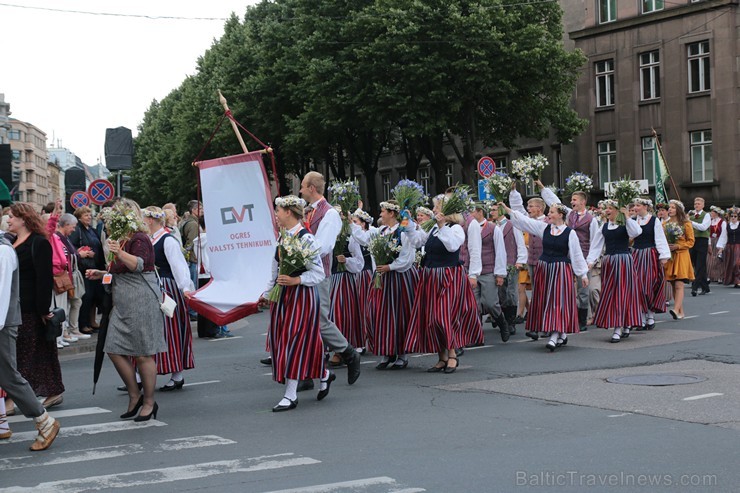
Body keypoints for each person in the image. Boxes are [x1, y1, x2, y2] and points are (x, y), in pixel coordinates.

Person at [85, 199, 165, 422]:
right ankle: (134, 394)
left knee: (142, 354)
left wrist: (118, 253)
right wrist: (101, 274)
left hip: (141, 300)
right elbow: (118, 270)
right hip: (122, 303)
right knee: (112, 347)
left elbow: (138, 264)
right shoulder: (120, 239)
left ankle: (149, 402)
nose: (109, 223)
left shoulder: (139, 238)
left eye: (114, 217)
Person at [258, 196, 332, 411]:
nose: (276, 215)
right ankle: (324, 373)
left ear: (288, 212)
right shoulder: (282, 238)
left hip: (302, 296)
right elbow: (276, 268)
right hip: (284, 296)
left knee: (294, 341)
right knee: (286, 341)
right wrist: (268, 292)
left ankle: (290, 395)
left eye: (278, 211)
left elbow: (319, 272)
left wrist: (296, 280)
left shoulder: (306, 238)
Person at [405, 190, 483, 371]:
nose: (433, 210)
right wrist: (408, 222)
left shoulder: (455, 228)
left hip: (448, 277)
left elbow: (452, 246)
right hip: (431, 276)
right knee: (432, 318)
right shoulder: (433, 228)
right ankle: (442, 357)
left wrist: (441, 226)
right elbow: (417, 241)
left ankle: (453, 354)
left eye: (436, 207)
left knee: (444, 316)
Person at [0, 229, 61, 450]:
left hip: (3, 324)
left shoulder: (3, 251)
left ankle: (44, 421)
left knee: (9, 376)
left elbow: (2, 294)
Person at [500, 201, 588, 351]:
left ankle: (554, 335)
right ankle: (561, 334)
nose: (549, 214)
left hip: (561, 270)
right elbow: (525, 222)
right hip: (545, 269)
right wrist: (509, 210)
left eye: (552, 212)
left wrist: (583, 274)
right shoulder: (544, 228)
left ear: (560, 215)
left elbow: (576, 254)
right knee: (546, 300)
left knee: (557, 302)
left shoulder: (569, 233)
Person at [300, 171, 361, 385]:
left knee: (320, 321)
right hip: (303, 274)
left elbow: (324, 246)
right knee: (305, 323)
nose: (300, 190)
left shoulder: (329, 214)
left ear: (311, 188)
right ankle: (308, 372)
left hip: (318, 274)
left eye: (302, 186)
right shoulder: (308, 211)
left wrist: (300, 251)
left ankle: (348, 353)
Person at [4, 203, 65, 413]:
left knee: (23, 354)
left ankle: (13, 399)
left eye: (11, 216)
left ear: (23, 219)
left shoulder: (39, 243)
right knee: (39, 351)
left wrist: (42, 310)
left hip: (29, 306)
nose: (8, 220)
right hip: (14, 305)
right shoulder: (11, 241)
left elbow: (44, 279)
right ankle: (54, 391)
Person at [352, 200, 418, 369]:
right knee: (380, 314)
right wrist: (349, 222)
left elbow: (407, 258)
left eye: (382, 211)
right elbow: (363, 238)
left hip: (398, 278)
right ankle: (387, 352)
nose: (380, 214)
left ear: (391, 213)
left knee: (398, 315)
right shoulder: (381, 231)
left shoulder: (402, 232)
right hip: (381, 277)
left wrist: (390, 266)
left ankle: (401, 354)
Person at [143, 206, 195, 391]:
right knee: (151, 331)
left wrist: (185, 288)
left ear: (150, 220)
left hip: (167, 287)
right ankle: (141, 374)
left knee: (170, 331)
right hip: (152, 286)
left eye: (144, 218)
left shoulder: (168, 241)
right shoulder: (150, 239)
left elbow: (179, 266)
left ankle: (177, 374)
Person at [537, 179, 599, 332]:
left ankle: (582, 319)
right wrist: (543, 188)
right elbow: (555, 202)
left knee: (583, 290)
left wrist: (590, 260)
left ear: (583, 202)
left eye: (575, 200)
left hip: (583, 257)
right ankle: (566, 317)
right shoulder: (569, 214)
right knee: (565, 288)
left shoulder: (592, 220)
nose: (572, 202)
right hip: (565, 257)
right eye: (571, 199)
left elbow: (595, 240)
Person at [587, 201, 643, 342]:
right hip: (609, 263)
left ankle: (620, 326)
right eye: (606, 208)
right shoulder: (604, 227)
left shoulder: (626, 225)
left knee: (622, 293)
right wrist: (589, 262)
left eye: (610, 208)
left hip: (623, 261)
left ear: (617, 211)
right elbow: (596, 246)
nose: (607, 211)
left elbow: (637, 232)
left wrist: (627, 216)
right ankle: (621, 324)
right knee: (611, 294)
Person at [509, 186, 548, 340]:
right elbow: (517, 211)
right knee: (537, 293)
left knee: (543, 293)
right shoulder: (529, 221)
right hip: (531, 261)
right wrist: (513, 193)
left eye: (531, 206)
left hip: (544, 262)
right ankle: (537, 325)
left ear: (539, 208)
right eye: (528, 206)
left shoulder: (546, 221)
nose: (528, 208)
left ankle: (546, 325)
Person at [468, 202, 509, 341]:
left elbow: (500, 251)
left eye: (472, 212)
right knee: (474, 305)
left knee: (491, 302)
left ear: (480, 212)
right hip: (472, 272)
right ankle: (477, 336)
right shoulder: (468, 227)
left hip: (488, 270)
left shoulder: (493, 228)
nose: (469, 215)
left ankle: (502, 321)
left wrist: (500, 273)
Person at [631, 198, 670, 331]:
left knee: (649, 284)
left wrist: (663, 255)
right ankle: (641, 318)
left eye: (638, 205)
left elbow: (659, 238)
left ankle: (650, 315)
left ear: (646, 207)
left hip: (649, 255)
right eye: (634, 205)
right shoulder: (632, 221)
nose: (635, 208)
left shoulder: (654, 221)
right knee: (637, 286)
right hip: (635, 254)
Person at [489, 204, 527, 334]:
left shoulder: (512, 225)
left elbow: (520, 242)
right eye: (491, 210)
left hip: (511, 262)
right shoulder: (492, 226)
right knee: (500, 292)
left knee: (511, 292)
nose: (491, 212)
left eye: (494, 209)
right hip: (496, 264)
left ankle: (511, 322)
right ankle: (502, 319)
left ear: (501, 210)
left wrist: (520, 260)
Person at [55, 212, 90, 341]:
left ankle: (70, 330)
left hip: (70, 274)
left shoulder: (64, 237)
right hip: (65, 275)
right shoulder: (58, 237)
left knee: (74, 302)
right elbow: (64, 257)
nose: (74, 229)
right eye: (73, 226)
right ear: (67, 224)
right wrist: (79, 255)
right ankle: (66, 332)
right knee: (68, 304)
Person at [69, 206, 104, 334]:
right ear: (79, 217)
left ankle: (91, 321)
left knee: (94, 296)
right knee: (86, 295)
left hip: (95, 266)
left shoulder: (92, 230)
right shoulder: (77, 230)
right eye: (86, 215)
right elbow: (73, 246)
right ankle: (82, 323)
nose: (89, 217)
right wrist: (84, 252)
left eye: (90, 215)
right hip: (85, 266)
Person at [664, 200, 695, 320]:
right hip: (670, 255)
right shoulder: (665, 224)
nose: (670, 209)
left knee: (679, 283)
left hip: (682, 255)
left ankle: (676, 309)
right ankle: (680, 312)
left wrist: (678, 246)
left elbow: (691, 241)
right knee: (672, 283)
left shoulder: (686, 223)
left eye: (673, 207)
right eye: (669, 207)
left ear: (678, 210)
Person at [179, 200, 202, 305]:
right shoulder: (193, 224)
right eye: (200, 209)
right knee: (193, 287)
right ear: (194, 210)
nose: (202, 211)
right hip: (193, 259)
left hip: (192, 258)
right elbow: (192, 242)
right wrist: (192, 257)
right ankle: (192, 310)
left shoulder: (189, 222)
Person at [688, 197, 711, 296]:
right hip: (693, 240)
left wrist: (691, 223)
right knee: (694, 263)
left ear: (702, 205)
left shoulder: (706, 215)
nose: (696, 205)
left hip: (702, 240)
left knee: (700, 264)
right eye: (695, 203)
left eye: (698, 204)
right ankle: (705, 287)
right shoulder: (690, 215)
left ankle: (695, 287)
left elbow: (703, 227)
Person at [717, 207, 739, 288]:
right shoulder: (727, 226)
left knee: (737, 263)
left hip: (738, 247)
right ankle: (734, 281)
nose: (733, 218)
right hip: (729, 247)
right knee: (730, 264)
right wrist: (721, 248)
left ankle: (738, 280)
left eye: (735, 216)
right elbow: (723, 237)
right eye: (732, 216)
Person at [707, 206, 726, 283]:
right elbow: (708, 232)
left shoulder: (722, 222)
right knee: (709, 259)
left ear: (717, 213)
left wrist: (721, 245)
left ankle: (720, 277)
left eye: (713, 212)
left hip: (719, 240)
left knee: (718, 259)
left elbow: (724, 233)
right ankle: (710, 276)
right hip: (711, 240)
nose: (711, 213)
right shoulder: (710, 221)